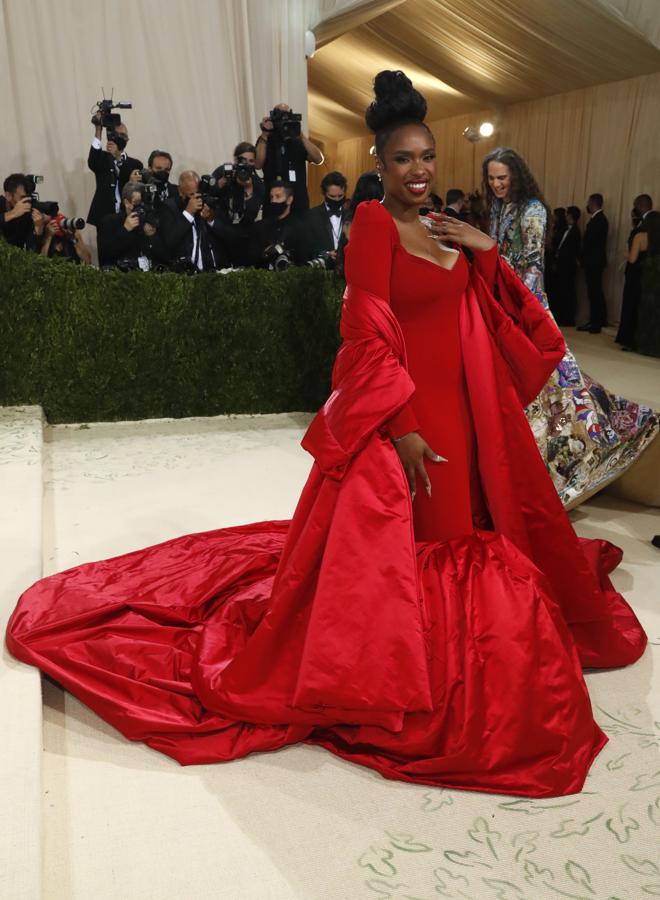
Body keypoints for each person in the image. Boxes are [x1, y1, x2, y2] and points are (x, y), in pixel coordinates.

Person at [6, 69, 648, 799]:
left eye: (428, 157)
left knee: (472, 528)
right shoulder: (374, 225)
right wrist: (399, 425)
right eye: (403, 159)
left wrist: (484, 250)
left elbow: (504, 317)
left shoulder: (446, 226)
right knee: (422, 543)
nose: (418, 170)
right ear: (379, 163)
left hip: (468, 411)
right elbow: (364, 331)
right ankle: (403, 667)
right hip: (411, 415)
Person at [484, 147, 658, 507]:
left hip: (525, 302)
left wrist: (520, 311)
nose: (497, 184)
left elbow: (532, 263)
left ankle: (573, 447)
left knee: (555, 377)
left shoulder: (532, 208)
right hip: (502, 299)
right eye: (492, 179)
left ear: (516, 174)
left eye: (502, 178)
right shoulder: (499, 207)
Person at [255, 103, 324, 214]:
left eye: (286, 115)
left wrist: (300, 134)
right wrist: (264, 135)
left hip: (298, 201)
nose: (283, 120)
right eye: (280, 115)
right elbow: (257, 164)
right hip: (273, 200)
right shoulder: (266, 140)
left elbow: (319, 159)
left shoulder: (297, 141)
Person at [159, 171, 230, 272]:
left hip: (211, 271)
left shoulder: (207, 203)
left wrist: (210, 219)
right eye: (191, 194)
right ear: (180, 191)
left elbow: (228, 235)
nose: (195, 198)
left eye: (198, 193)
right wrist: (188, 213)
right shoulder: (168, 207)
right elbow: (169, 241)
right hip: (183, 273)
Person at [87, 112, 143, 236]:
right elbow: (92, 163)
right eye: (117, 135)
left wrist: (118, 157)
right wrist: (98, 130)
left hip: (127, 214)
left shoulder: (135, 164)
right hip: (104, 214)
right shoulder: (102, 158)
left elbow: (135, 188)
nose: (120, 138)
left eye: (123, 135)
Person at [97, 182, 168, 271]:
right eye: (138, 202)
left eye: (145, 202)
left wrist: (152, 237)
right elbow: (105, 256)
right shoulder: (109, 222)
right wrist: (125, 230)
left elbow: (165, 256)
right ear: (127, 203)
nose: (142, 206)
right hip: (120, 277)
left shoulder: (151, 220)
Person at [616, 194, 654, 350]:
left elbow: (633, 258)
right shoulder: (655, 223)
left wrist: (625, 253)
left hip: (638, 272)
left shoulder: (643, 229)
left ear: (638, 206)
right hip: (652, 274)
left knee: (633, 305)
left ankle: (630, 340)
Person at [251, 181, 307, 268]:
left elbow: (303, 258)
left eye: (278, 197)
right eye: (271, 197)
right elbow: (252, 258)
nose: (273, 201)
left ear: (289, 200)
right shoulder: (260, 226)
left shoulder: (299, 228)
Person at [578, 193, 609, 332]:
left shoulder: (600, 220)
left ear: (592, 203)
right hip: (594, 261)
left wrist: (582, 258)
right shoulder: (598, 219)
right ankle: (599, 319)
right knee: (595, 291)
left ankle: (596, 322)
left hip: (594, 262)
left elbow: (591, 243)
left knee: (594, 292)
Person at [303, 170, 348, 264]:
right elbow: (306, 247)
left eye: (340, 196)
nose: (337, 199)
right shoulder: (312, 216)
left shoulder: (351, 215)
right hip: (322, 270)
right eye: (332, 196)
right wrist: (326, 254)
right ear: (323, 193)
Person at [633, 210, 660, 357]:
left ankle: (645, 346)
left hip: (649, 278)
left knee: (646, 311)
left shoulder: (642, 236)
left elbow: (632, 259)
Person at [0, 173, 46, 251]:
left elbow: (31, 252)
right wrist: (12, 214)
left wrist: (38, 229)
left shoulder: (27, 213)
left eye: (28, 197)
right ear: (8, 196)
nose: (26, 202)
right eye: (22, 197)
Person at [552, 205, 581, 326]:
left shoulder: (575, 231)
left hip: (568, 266)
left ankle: (568, 318)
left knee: (568, 292)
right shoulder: (565, 229)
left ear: (570, 215)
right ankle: (561, 316)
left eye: (567, 214)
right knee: (561, 291)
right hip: (561, 265)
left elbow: (573, 250)